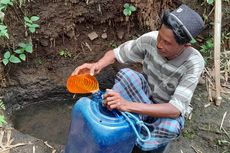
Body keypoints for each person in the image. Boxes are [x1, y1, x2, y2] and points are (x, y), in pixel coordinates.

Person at [71, 4, 205, 153]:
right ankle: (125, 124)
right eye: (160, 36)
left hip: (164, 109)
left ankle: (139, 142)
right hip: (144, 96)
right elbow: (116, 54)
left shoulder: (193, 63)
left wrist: (126, 105)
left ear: (185, 46)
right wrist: (97, 64)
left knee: (171, 127)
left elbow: (175, 109)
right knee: (127, 75)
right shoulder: (150, 40)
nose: (159, 45)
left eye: (167, 43)